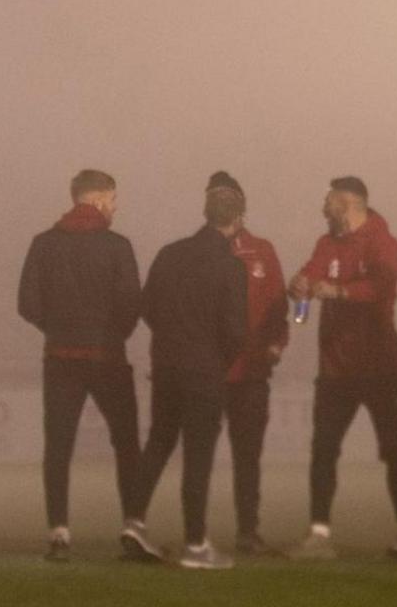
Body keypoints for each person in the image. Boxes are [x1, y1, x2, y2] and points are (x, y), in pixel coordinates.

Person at [17, 168, 150, 563]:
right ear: (99, 198)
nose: (115, 207)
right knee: (126, 445)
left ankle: (58, 531)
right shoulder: (117, 246)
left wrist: (56, 328)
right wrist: (113, 336)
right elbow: (131, 304)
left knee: (58, 447)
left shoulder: (44, 244)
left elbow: (27, 304)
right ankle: (132, 525)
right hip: (108, 357)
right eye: (113, 199)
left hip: (59, 358)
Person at [287, 176, 397, 560]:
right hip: (335, 369)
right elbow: (311, 274)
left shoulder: (382, 242)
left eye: (328, 202)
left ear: (347, 204)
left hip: (378, 365)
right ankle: (318, 533)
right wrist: (300, 285)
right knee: (323, 449)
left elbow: (381, 287)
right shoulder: (326, 242)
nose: (322, 208)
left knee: (392, 448)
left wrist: (339, 290)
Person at [136, 182, 252, 568]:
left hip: (167, 365)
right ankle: (196, 544)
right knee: (198, 457)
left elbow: (147, 307)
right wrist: (218, 360)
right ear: (237, 221)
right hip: (204, 371)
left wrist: (171, 341)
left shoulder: (170, 254)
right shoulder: (231, 266)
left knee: (158, 444)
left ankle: (134, 520)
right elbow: (236, 331)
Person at [208, 171, 290, 558]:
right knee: (199, 455)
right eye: (215, 195)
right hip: (208, 372)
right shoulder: (198, 251)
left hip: (252, 372)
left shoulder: (262, 251)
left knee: (247, 457)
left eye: (227, 195)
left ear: (241, 203)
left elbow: (282, 306)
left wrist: (278, 343)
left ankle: (247, 531)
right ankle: (197, 533)